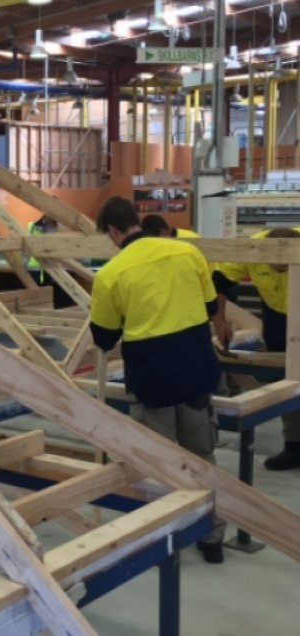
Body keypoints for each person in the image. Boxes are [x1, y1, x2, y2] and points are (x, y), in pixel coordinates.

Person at [90, 196, 226, 563]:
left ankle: (169, 544)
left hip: (153, 383)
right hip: (197, 373)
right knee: (202, 457)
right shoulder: (188, 254)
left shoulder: (111, 274)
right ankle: (212, 538)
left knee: (159, 465)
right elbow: (212, 308)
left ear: (114, 231)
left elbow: (103, 337)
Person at [212, 227, 300, 470]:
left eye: (285, 268)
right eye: (274, 267)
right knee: (285, 376)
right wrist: (219, 320)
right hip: (275, 312)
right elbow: (219, 280)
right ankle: (294, 444)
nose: (279, 271)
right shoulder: (252, 248)